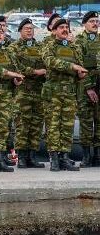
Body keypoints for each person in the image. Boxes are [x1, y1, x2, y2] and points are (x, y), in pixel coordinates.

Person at [42, 18, 88, 171]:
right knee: (53, 126)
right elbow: (50, 62)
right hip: (53, 93)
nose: (64, 29)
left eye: (66, 27)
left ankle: (64, 157)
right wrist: (72, 66)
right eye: (61, 27)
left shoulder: (74, 47)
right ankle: (54, 158)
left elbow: (80, 67)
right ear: (54, 31)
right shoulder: (49, 46)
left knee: (67, 126)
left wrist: (80, 74)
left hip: (69, 93)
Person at [10, 19, 47, 168]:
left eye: (31, 28)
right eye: (26, 28)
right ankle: (22, 157)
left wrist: (43, 71)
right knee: (22, 124)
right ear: (20, 31)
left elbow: (46, 64)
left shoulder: (40, 47)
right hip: (23, 92)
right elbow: (16, 66)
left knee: (36, 125)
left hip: (38, 92)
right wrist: (35, 72)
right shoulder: (14, 47)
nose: (29, 31)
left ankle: (32, 156)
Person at [74, 11, 100, 167]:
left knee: (99, 122)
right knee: (85, 121)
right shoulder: (79, 42)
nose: (95, 23)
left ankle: (97, 155)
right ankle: (86, 156)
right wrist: (89, 87)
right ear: (84, 24)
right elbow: (80, 67)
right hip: (85, 88)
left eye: (96, 21)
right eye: (91, 21)